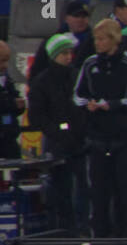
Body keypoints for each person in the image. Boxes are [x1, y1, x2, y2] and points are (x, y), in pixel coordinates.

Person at [72, 19, 127, 238]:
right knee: (98, 195)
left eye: (101, 39)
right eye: (95, 39)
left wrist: (117, 104)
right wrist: (88, 104)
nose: (97, 43)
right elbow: (78, 96)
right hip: (97, 140)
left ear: (113, 39)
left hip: (125, 140)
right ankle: (99, 240)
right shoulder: (90, 64)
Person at [27, 33, 88, 233]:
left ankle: (82, 229)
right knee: (61, 190)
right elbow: (37, 116)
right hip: (56, 144)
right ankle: (63, 231)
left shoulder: (77, 75)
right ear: (53, 55)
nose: (68, 57)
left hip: (80, 143)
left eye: (70, 52)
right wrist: (57, 132)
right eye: (64, 53)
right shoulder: (41, 82)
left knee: (83, 190)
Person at [28, 0, 94, 83]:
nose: (80, 20)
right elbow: (36, 72)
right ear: (66, 18)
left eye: (84, 16)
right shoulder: (52, 41)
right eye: (76, 16)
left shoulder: (94, 41)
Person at [0, 40, 25, 160]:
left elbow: (15, 98)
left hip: (9, 137)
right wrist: (12, 104)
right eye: (2, 61)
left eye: (7, 61)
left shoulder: (7, 79)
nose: (5, 65)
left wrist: (19, 105)